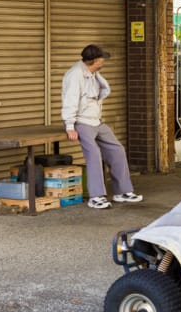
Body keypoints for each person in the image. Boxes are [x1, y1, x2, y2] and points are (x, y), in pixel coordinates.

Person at [61, 44, 142, 209]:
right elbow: (70, 101)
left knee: (117, 150)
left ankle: (122, 191)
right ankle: (96, 197)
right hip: (82, 122)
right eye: (101, 58)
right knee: (94, 155)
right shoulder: (75, 75)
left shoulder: (93, 73)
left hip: (96, 120)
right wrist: (70, 125)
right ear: (95, 60)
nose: (103, 61)